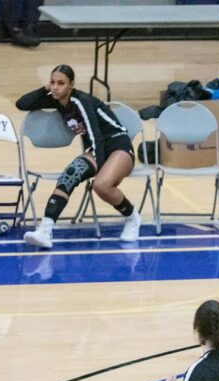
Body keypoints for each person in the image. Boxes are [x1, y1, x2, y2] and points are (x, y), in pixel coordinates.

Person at [15, 64, 142, 249]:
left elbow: (95, 133)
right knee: (71, 174)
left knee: (101, 185)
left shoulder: (82, 101)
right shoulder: (56, 99)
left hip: (118, 146)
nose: (55, 87)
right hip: (96, 148)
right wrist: (45, 89)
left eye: (61, 83)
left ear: (71, 85)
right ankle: (45, 230)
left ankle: (132, 218)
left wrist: (97, 164)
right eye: (52, 82)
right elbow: (22, 104)